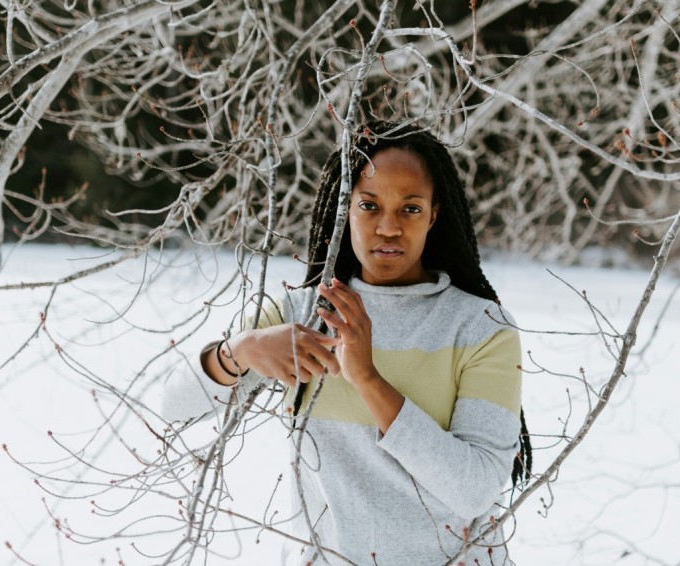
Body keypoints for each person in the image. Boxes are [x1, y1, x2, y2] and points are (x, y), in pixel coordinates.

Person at [162, 120, 531, 565]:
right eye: (369, 206)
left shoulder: (481, 328)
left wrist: (368, 379)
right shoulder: (303, 315)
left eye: (410, 209)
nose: (389, 228)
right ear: (345, 210)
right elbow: (172, 407)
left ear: (434, 215)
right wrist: (239, 351)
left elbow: (474, 490)